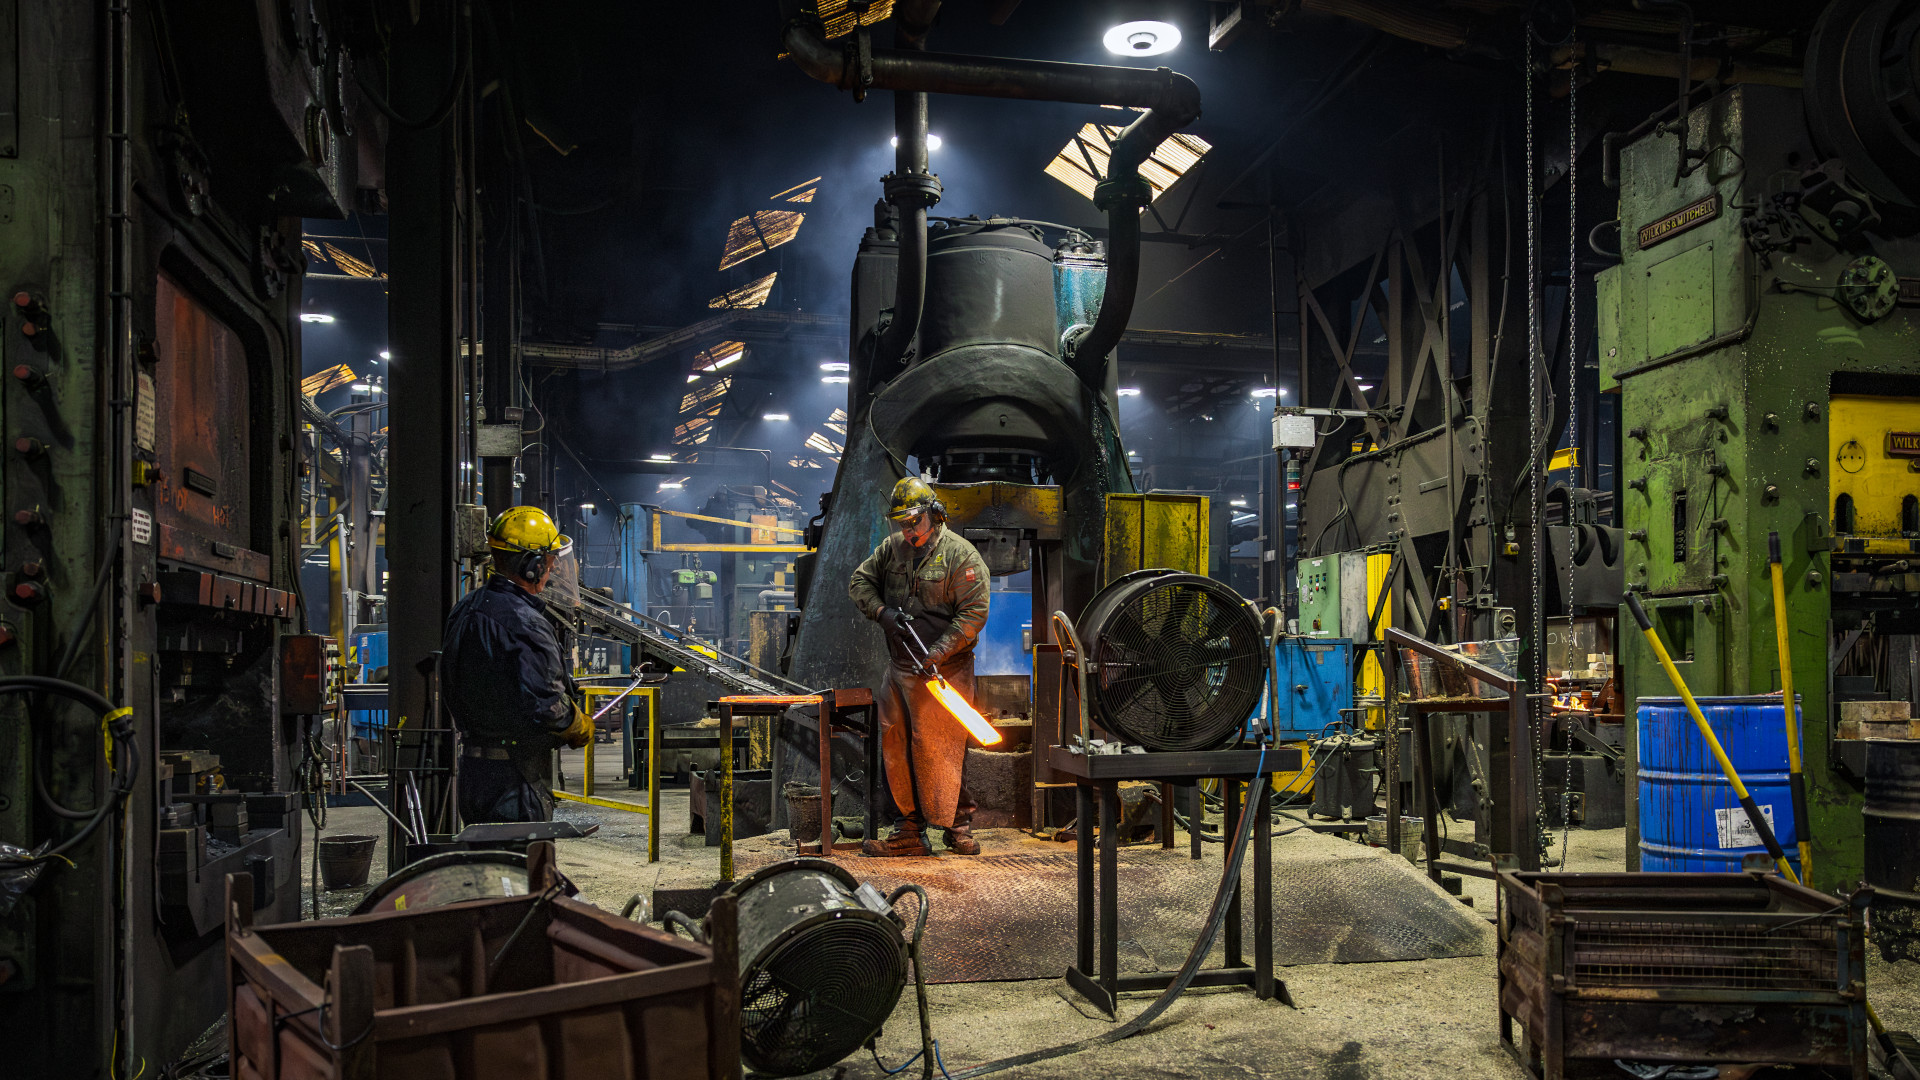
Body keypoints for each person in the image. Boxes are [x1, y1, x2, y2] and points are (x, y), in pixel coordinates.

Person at [849, 477, 991, 856]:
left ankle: (957, 826)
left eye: (914, 522)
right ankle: (909, 831)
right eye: (902, 524)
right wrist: (882, 612)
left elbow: (974, 612)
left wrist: (940, 650)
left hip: (945, 673)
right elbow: (860, 582)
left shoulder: (961, 556)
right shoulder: (892, 550)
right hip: (898, 670)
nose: (908, 531)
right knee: (896, 748)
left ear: (933, 514)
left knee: (940, 749)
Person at [443, 505, 592, 824]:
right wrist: (575, 723)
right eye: (550, 563)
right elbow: (546, 707)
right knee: (520, 870)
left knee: (488, 868)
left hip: (473, 777)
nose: (552, 570)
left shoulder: (466, 608)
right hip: (514, 783)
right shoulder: (525, 623)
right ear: (532, 566)